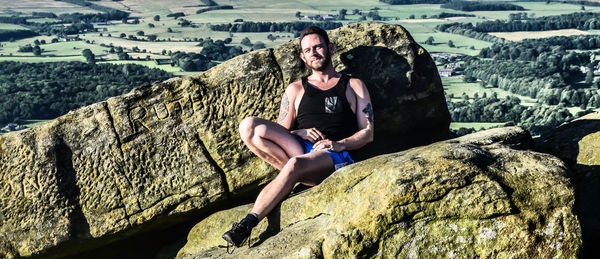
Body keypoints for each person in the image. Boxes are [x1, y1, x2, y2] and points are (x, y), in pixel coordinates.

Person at [222, 26, 374, 248]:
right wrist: (299, 132)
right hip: (300, 149)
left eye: (318, 47)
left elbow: (368, 133)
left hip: (332, 156)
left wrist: (339, 144)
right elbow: (280, 131)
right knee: (249, 127)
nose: (314, 53)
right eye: (308, 50)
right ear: (303, 57)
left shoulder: (353, 85)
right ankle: (293, 178)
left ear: (330, 48)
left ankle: (247, 224)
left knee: (294, 164)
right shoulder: (295, 89)